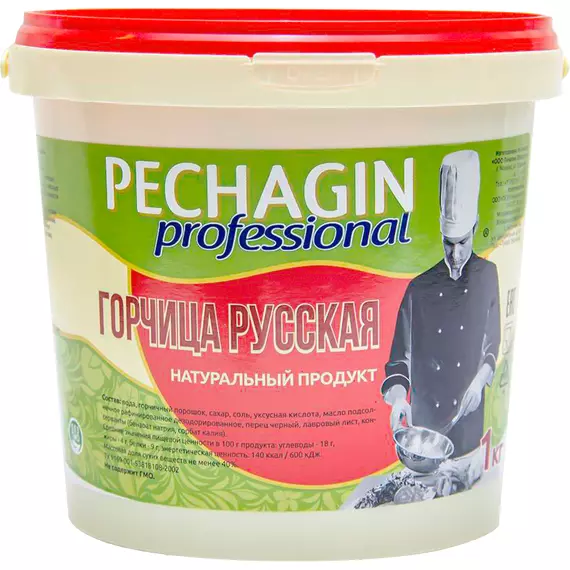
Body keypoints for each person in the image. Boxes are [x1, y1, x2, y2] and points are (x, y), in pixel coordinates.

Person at [382, 150, 501, 487]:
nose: (456, 254)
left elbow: (493, 342)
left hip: (468, 430)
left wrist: (479, 380)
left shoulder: (487, 275)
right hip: (426, 435)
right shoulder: (418, 288)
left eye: (463, 242)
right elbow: (398, 361)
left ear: (475, 227)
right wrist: (398, 400)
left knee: (465, 485)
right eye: (449, 244)